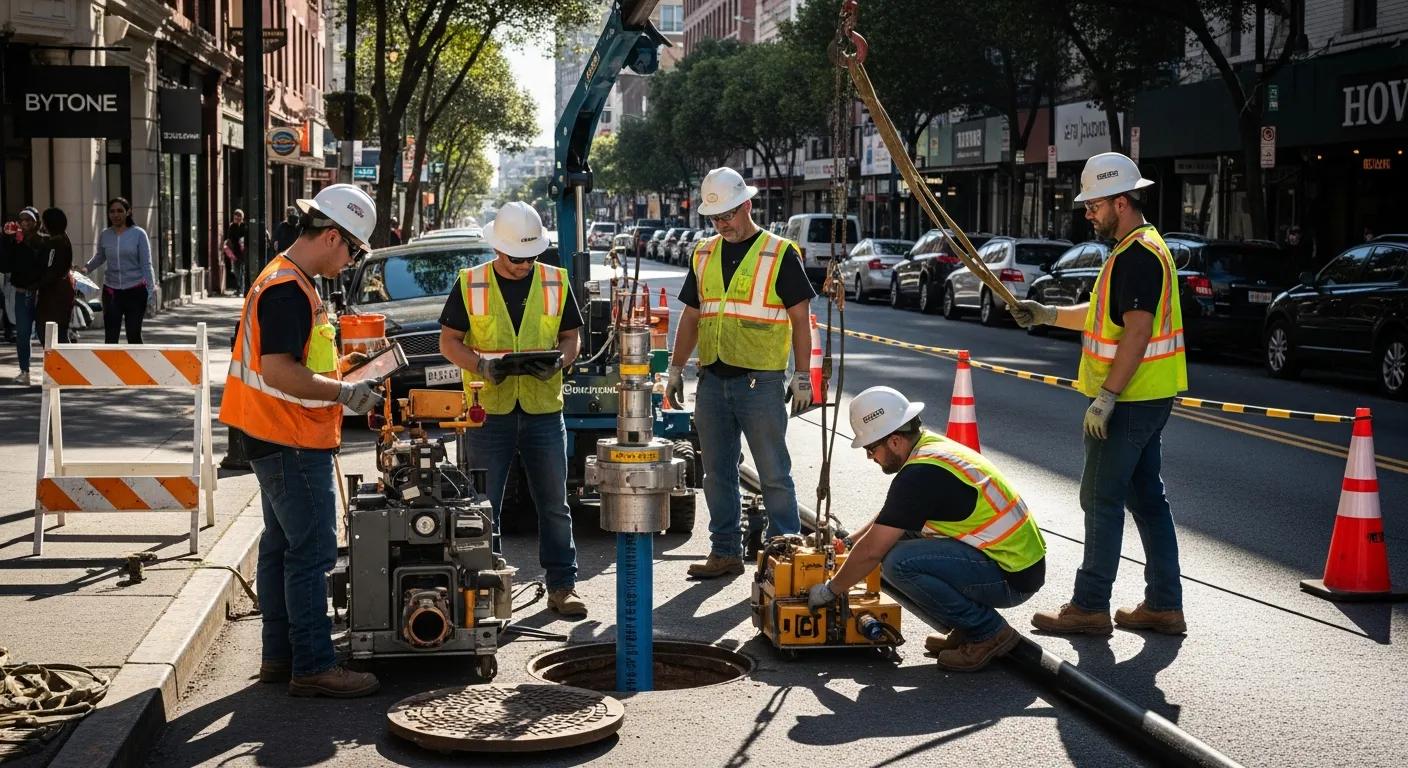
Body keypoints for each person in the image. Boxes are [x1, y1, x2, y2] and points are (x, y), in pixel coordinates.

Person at [1010, 152, 1189, 636]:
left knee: (1099, 499)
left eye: (1094, 205)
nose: (1088, 213)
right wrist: (1047, 314)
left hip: (1128, 400)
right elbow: (1099, 316)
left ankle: (1090, 606)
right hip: (1147, 396)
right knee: (1147, 500)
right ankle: (1164, 604)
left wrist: (1107, 395)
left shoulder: (1136, 255)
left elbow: (1137, 332)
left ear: (1121, 202)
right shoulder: (1139, 248)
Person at [220, 183, 385, 698]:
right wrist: (346, 392)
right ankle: (313, 664)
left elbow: (298, 361)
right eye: (353, 250)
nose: (351, 261)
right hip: (290, 438)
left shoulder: (289, 280)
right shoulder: (288, 289)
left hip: (272, 434)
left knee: (280, 548)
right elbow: (280, 371)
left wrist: (343, 369)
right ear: (332, 236)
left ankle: (279, 656)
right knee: (312, 553)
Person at [807, 386, 1047, 671]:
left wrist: (830, 590)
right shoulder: (929, 449)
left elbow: (872, 551)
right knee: (897, 540)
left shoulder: (920, 476)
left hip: (1011, 577)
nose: (870, 457)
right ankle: (967, 626)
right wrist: (849, 542)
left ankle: (987, 631)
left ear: (895, 441)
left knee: (897, 562)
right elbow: (893, 518)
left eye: (871, 448)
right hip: (1014, 561)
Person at [436, 201, 587, 618]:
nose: (523, 265)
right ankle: (487, 588)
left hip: (543, 410)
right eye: (516, 258)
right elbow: (448, 342)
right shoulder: (471, 283)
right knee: (484, 506)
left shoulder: (555, 280)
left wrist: (561, 360)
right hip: (489, 411)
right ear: (497, 248)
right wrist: (481, 365)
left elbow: (571, 337)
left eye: (530, 257)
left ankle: (562, 585)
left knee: (554, 504)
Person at [664, 167, 816, 579]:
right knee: (716, 474)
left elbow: (800, 319)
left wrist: (803, 375)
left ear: (747, 205)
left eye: (728, 214)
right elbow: (691, 316)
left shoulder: (779, 253)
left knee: (773, 473)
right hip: (712, 380)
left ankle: (784, 556)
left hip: (760, 381)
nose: (722, 224)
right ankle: (725, 551)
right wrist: (675, 369)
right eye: (715, 218)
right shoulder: (703, 253)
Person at [85, 197, 156, 344]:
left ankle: (138, 360)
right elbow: (100, 256)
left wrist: (150, 292)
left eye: (119, 211)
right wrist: (86, 268)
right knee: (111, 338)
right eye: (112, 211)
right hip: (112, 292)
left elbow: (146, 265)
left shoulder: (138, 234)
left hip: (135, 291)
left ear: (128, 212)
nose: (115, 215)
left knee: (133, 335)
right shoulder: (105, 234)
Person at [1, 208, 43, 384]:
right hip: (21, 294)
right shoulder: (14, 242)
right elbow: (4, 265)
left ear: (36, 222)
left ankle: (56, 371)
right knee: (23, 335)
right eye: (22, 220)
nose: (25, 223)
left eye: (29, 219)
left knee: (44, 334)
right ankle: (24, 371)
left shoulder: (43, 242)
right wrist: (6, 239)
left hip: (41, 294)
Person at [33, 208, 74, 349]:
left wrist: (35, 285)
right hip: (61, 291)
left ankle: (63, 361)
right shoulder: (63, 239)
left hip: (54, 294)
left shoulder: (55, 243)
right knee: (60, 333)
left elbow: (51, 270)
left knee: (50, 334)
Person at [222, 209, 248, 294]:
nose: (237, 219)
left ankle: (242, 288)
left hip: (243, 252)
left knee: (243, 270)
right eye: (236, 218)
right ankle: (239, 287)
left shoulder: (245, 226)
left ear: (242, 217)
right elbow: (229, 238)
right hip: (235, 252)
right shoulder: (232, 226)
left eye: (239, 218)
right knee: (237, 271)